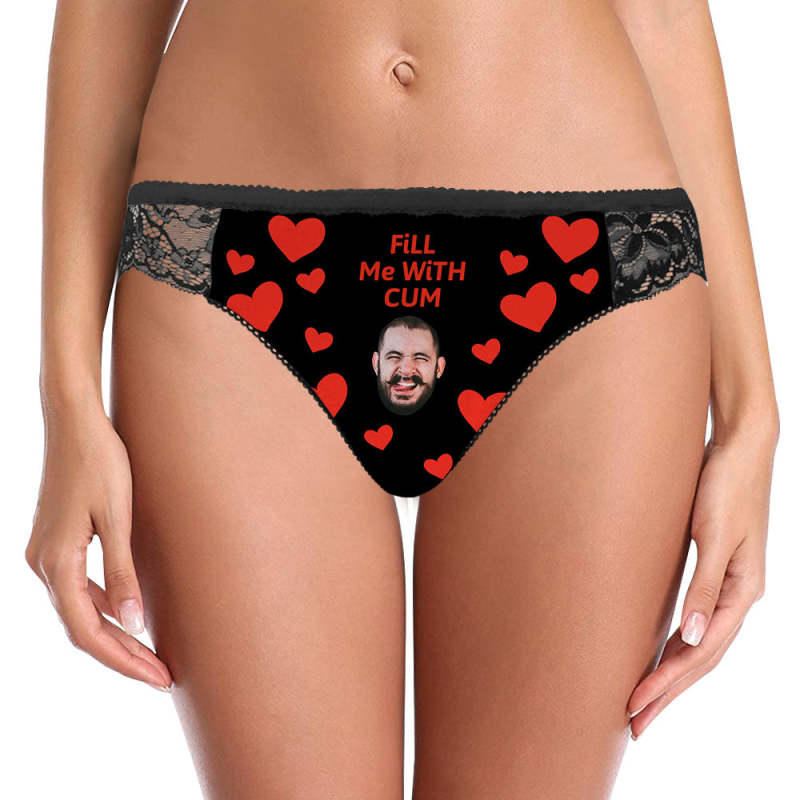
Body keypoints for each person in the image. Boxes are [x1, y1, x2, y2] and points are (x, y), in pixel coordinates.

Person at [26, 1, 779, 797]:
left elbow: (662, 13)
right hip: (229, 256)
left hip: (589, 254)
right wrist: (66, 397)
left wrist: (751, 413)